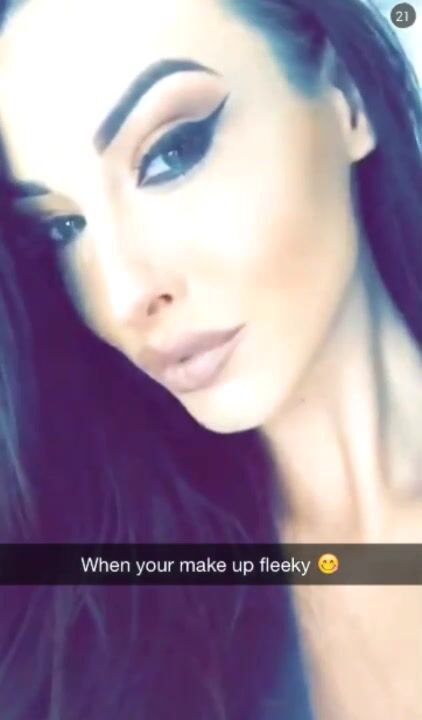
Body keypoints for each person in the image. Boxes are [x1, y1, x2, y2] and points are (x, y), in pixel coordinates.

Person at [0, 0, 421, 718]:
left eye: (171, 152)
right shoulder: (86, 631)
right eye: (64, 227)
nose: (124, 294)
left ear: (348, 99)